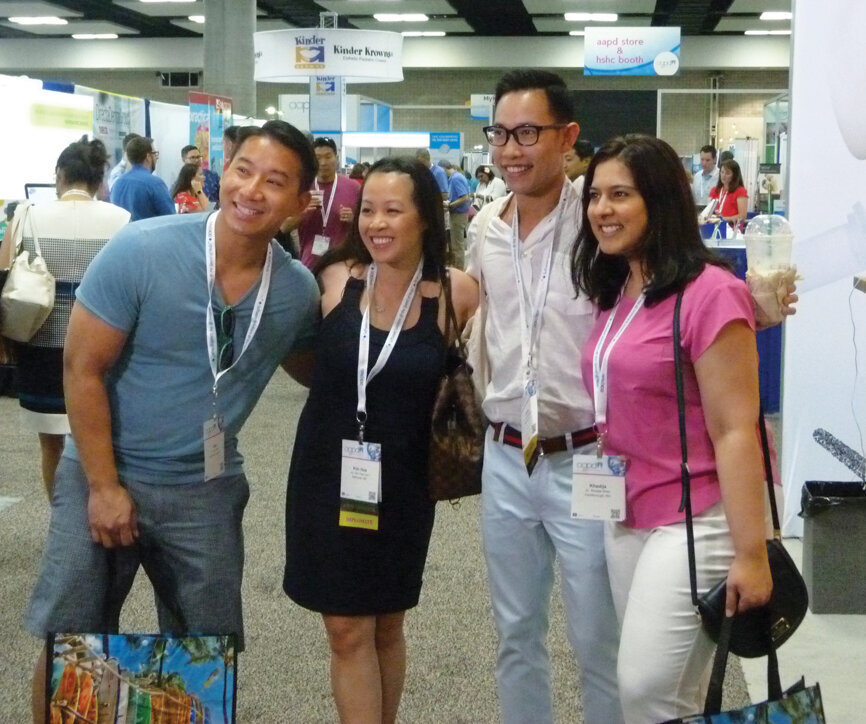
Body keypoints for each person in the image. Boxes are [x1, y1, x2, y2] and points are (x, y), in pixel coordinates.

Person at [25, 120, 320, 722]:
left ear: (301, 203)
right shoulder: (144, 249)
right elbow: (81, 369)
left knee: (203, 651)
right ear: (222, 172)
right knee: (72, 643)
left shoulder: (294, 293)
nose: (252, 190)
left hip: (204, 490)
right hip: (106, 471)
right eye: (243, 170)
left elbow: (318, 369)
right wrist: (105, 487)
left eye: (275, 181)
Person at [572, 134, 772, 723]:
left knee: (647, 689)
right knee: (665, 696)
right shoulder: (619, 288)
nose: (602, 209)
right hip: (627, 509)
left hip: (698, 515)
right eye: (596, 196)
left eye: (621, 195)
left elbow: (737, 430)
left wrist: (753, 552)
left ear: (659, 202)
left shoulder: (711, 293)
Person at [283, 156, 478, 724]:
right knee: (345, 628)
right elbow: (299, 358)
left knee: (388, 622)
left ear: (424, 218)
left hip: (404, 481)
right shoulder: (333, 280)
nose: (377, 223)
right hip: (327, 471)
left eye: (394, 210)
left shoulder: (458, 294)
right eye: (368, 209)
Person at [466, 69, 623, 724]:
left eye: (527, 133)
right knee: (516, 632)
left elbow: (668, 295)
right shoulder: (484, 229)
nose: (510, 150)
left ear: (568, 137)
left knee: (599, 639)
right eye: (500, 134)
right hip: (506, 455)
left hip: (589, 456)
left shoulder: (602, 219)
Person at [0, 136, 129, 495]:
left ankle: (61, 518)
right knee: (102, 440)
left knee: (51, 443)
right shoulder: (123, 220)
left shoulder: (26, 216)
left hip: (40, 346)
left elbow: (2, 275)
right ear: (99, 178)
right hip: (103, 347)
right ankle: (100, 506)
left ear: (59, 175)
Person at [294, 137, 361, 269]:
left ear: (336, 158)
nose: (323, 163)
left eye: (328, 156)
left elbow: (364, 223)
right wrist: (301, 212)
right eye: (318, 158)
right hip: (309, 263)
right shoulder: (302, 186)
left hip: (342, 262)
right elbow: (284, 227)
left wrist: (353, 219)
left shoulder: (353, 187)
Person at [109, 136, 175, 221]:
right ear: (148, 157)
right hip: (150, 234)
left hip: (124, 233)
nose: (156, 158)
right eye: (154, 153)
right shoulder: (155, 184)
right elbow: (170, 219)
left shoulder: (117, 183)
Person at [439, 160, 471, 268]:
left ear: (443, 169)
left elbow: (465, 197)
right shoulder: (455, 177)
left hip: (459, 215)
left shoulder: (456, 178)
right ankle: (458, 268)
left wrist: (450, 205)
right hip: (457, 214)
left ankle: (460, 270)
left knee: (457, 246)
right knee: (455, 245)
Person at [708, 158, 748, 228]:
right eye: (722, 172)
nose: (723, 175)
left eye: (727, 173)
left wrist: (724, 219)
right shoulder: (714, 190)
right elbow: (709, 211)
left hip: (732, 230)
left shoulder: (740, 191)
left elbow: (742, 216)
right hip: (715, 228)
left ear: (734, 175)